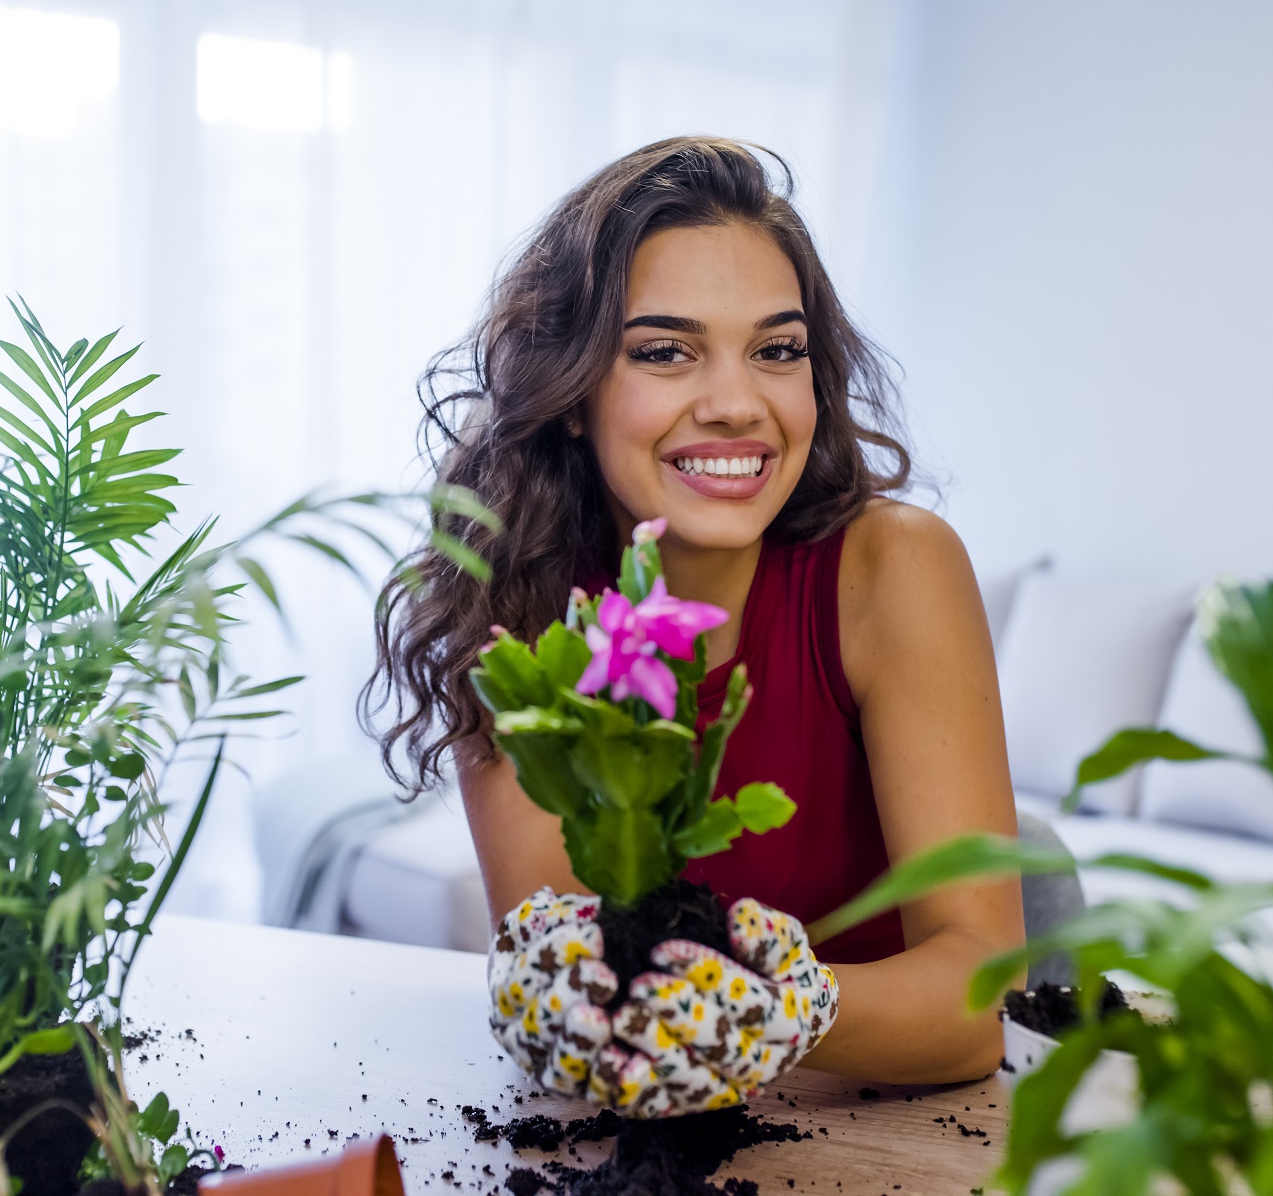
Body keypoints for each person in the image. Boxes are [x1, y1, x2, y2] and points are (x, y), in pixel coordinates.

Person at [364, 137, 1022, 1105]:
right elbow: (599, 1012)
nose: (734, 404)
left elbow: (978, 1011)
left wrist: (775, 1012)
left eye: (776, 351)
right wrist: (695, 1013)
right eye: (665, 352)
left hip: (899, 1121)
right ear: (575, 393)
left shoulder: (895, 568)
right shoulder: (511, 612)